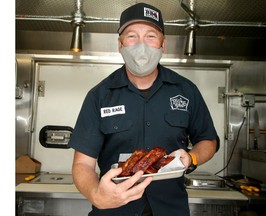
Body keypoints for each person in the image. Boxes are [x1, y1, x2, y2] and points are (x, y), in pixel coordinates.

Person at [68, 2, 219, 216]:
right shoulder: (99, 96)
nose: (141, 45)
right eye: (131, 36)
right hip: (114, 211)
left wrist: (191, 158)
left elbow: (208, 141)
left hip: (171, 209)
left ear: (162, 45)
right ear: (120, 46)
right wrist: (95, 194)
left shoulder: (186, 91)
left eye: (150, 36)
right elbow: (82, 164)